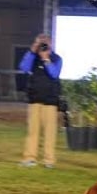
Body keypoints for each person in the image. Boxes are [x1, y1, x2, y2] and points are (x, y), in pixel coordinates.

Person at [18, 32, 63, 168]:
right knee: (33, 131)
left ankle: (49, 161)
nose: (44, 44)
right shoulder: (33, 57)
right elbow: (23, 67)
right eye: (41, 42)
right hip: (34, 99)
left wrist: (46, 59)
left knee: (50, 133)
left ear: (51, 44)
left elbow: (54, 74)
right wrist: (33, 48)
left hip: (50, 101)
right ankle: (29, 158)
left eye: (46, 42)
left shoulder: (56, 58)